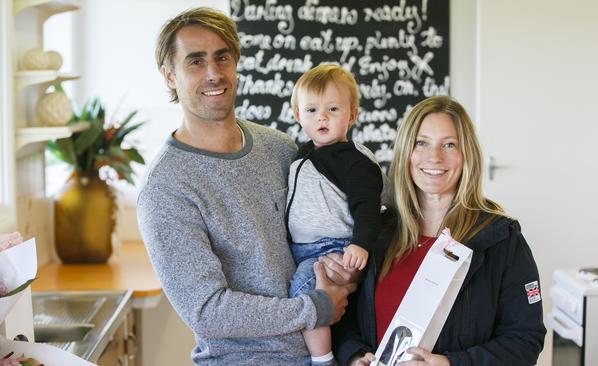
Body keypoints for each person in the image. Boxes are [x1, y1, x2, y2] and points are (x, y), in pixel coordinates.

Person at [137, 7, 356, 365]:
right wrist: (312, 309)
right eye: (195, 62)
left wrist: (342, 265)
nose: (213, 73)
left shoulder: (279, 148)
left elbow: (321, 231)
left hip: (329, 352)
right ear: (170, 76)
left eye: (222, 57)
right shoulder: (166, 188)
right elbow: (207, 310)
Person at [331, 96, 546, 365]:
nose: (434, 157)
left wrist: (449, 363)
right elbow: (342, 319)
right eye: (421, 143)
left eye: (449, 144)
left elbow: (525, 339)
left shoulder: (501, 238)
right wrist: (354, 356)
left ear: (466, 154)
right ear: (406, 152)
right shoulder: (374, 235)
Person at [286, 64, 385, 366]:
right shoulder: (302, 154)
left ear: (352, 115)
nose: (323, 117)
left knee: (306, 293)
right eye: (312, 110)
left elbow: (367, 207)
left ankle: (322, 359)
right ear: (299, 115)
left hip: (332, 249)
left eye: (332, 108)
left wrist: (360, 244)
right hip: (303, 249)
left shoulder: (353, 161)